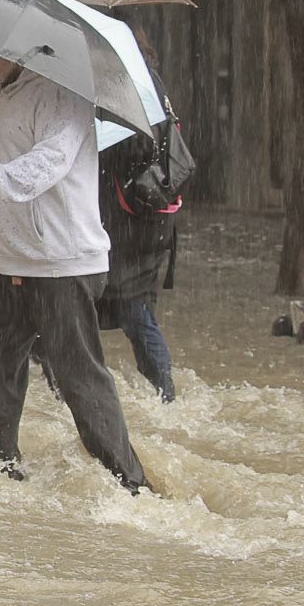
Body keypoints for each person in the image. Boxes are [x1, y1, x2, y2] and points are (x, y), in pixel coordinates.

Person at [0, 54, 151, 493]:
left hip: (61, 263)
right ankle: (4, 472)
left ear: (15, 45)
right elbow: (7, 164)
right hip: (12, 261)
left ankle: (130, 486)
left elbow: (49, 161)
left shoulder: (62, 91)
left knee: (78, 377)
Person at [99, 130, 180, 404]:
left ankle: (165, 395)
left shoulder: (129, 119)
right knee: (135, 309)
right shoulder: (150, 109)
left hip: (132, 229)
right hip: (144, 226)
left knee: (134, 308)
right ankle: (164, 394)